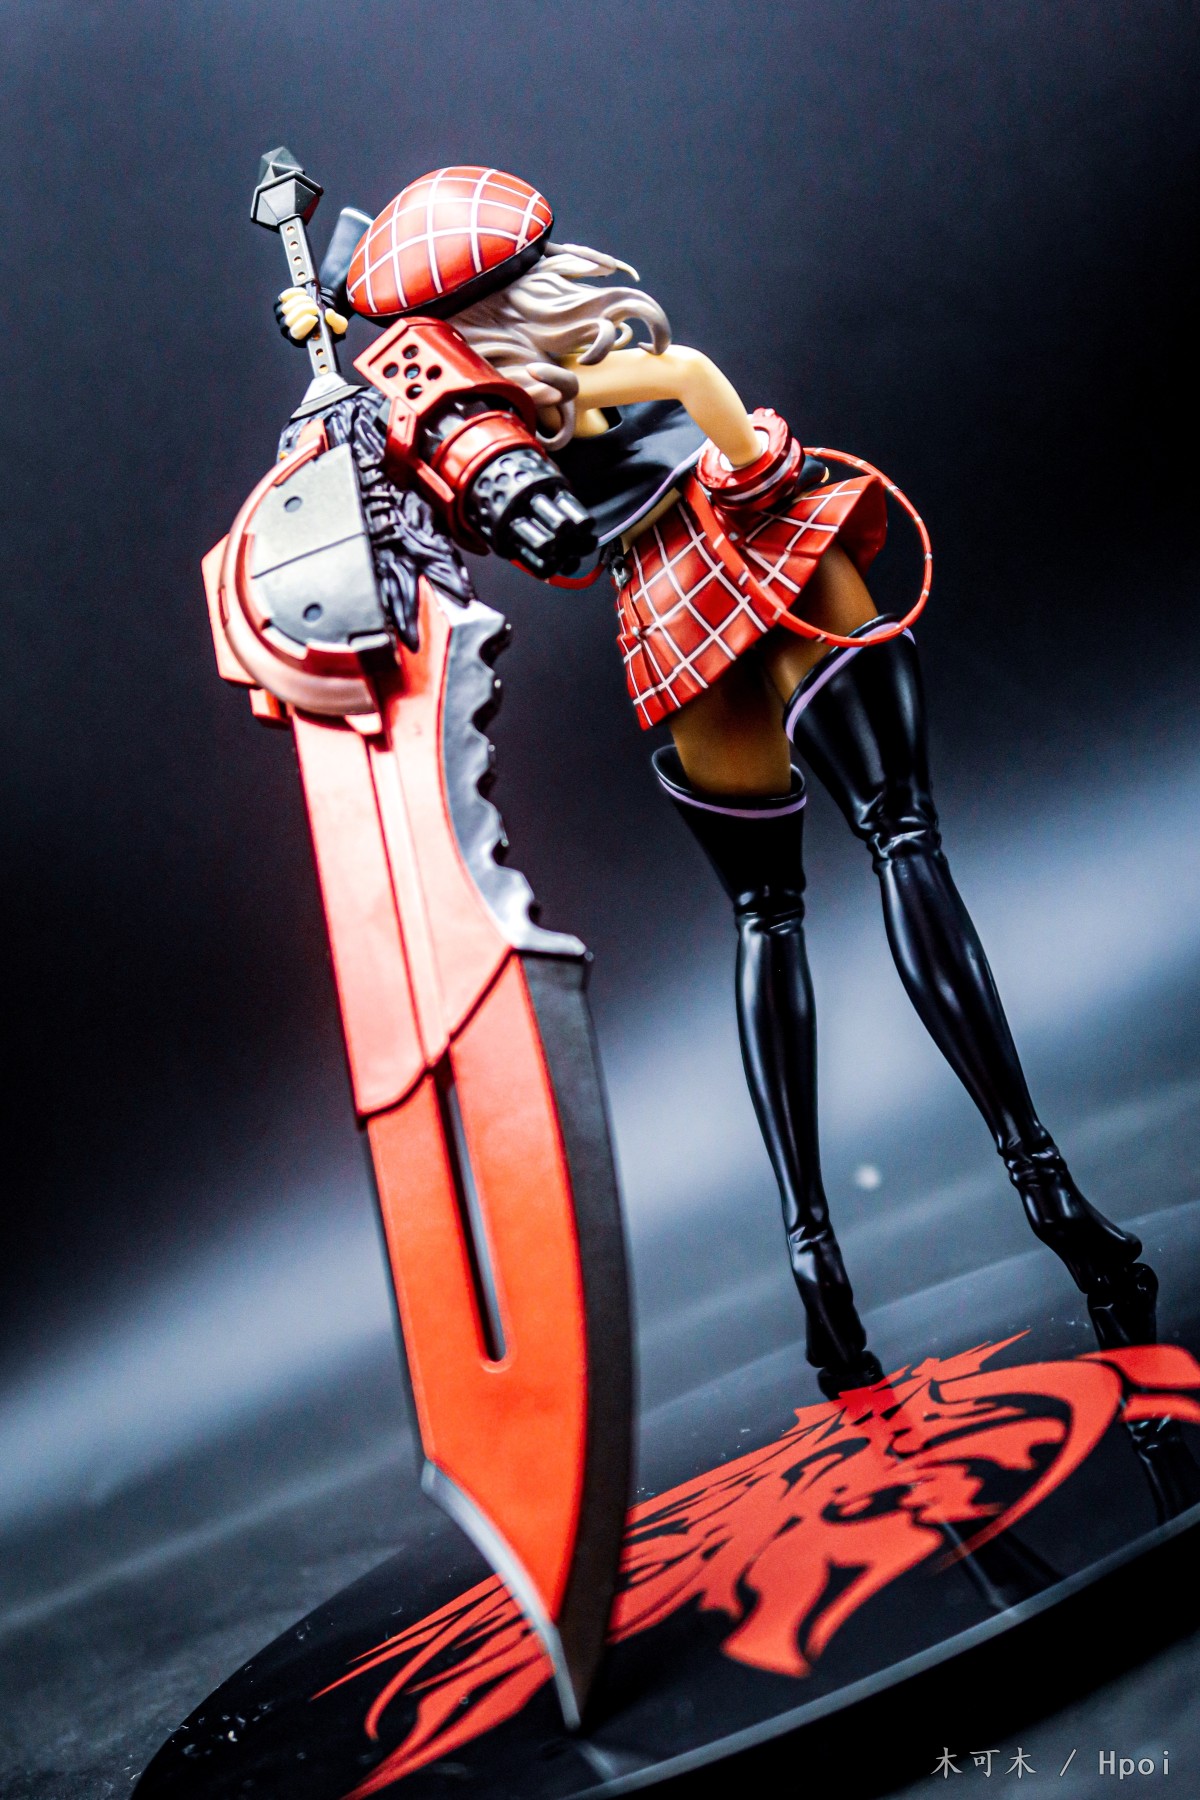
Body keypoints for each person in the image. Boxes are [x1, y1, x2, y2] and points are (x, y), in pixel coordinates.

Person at [278, 166, 1142, 1395]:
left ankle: (813, 1257)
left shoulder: (481, 426)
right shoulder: (599, 374)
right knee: (901, 838)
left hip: (667, 624)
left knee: (765, 916)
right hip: (763, 558)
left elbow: (509, 528)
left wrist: (347, 372)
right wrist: (740, 438)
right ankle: (1043, 1178)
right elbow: (708, 409)